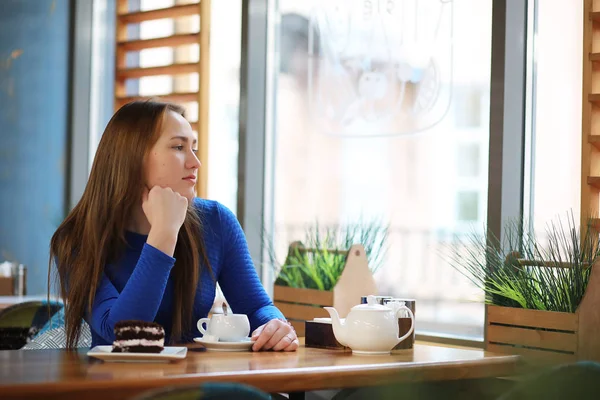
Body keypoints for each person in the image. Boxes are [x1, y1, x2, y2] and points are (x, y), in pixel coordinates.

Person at [48, 100, 298, 352]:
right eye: (178, 147)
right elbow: (122, 335)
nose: (195, 162)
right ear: (131, 157)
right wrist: (164, 233)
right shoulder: (76, 238)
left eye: (194, 148)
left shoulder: (216, 221)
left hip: (192, 387)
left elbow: (256, 307)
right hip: (117, 385)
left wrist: (274, 325)